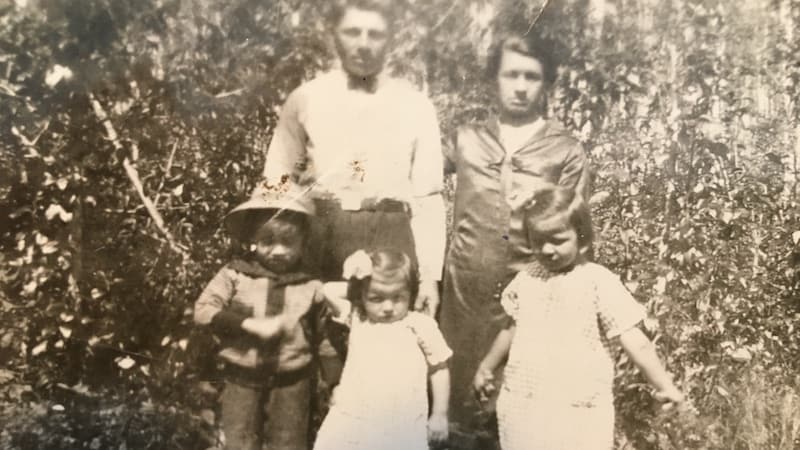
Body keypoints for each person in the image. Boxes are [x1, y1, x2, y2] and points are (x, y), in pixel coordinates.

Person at [440, 29, 592, 446]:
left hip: (531, 299)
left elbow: (577, 234)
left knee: (521, 418)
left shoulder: (565, 150)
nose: (521, 87)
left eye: (532, 77)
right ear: (494, 79)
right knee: (455, 414)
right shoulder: (466, 139)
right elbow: (416, 187)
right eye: (511, 75)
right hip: (463, 297)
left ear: (547, 84)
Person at [262, 0, 445, 314]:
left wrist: (430, 277)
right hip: (322, 234)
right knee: (317, 344)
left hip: (392, 235)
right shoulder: (306, 98)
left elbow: (428, 197)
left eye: (375, 34)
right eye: (352, 32)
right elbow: (277, 180)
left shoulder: (415, 105)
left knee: (390, 344)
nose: (363, 44)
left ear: (390, 39)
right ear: (334, 35)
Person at [472, 186, 684, 450]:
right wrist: (487, 366)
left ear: (582, 239)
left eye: (558, 240)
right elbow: (511, 327)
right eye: (538, 241)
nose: (547, 249)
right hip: (525, 404)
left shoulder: (597, 282)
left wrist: (665, 385)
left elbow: (634, 340)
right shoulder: (526, 278)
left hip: (577, 408)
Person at [193, 187, 340, 450]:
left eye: (288, 242)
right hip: (242, 377)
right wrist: (247, 324)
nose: (278, 251)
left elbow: (325, 337)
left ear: (304, 241)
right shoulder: (235, 275)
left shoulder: (311, 284)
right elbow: (203, 310)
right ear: (253, 238)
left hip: (292, 381)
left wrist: (334, 382)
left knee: (289, 442)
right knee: (240, 440)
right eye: (268, 241)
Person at [313, 248, 451, 450]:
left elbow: (439, 368)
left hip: (402, 421)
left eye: (397, 298)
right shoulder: (358, 318)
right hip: (355, 416)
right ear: (362, 295)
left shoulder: (420, 325)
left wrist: (440, 414)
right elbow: (328, 291)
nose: (388, 307)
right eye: (377, 298)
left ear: (410, 293)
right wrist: (359, 274)